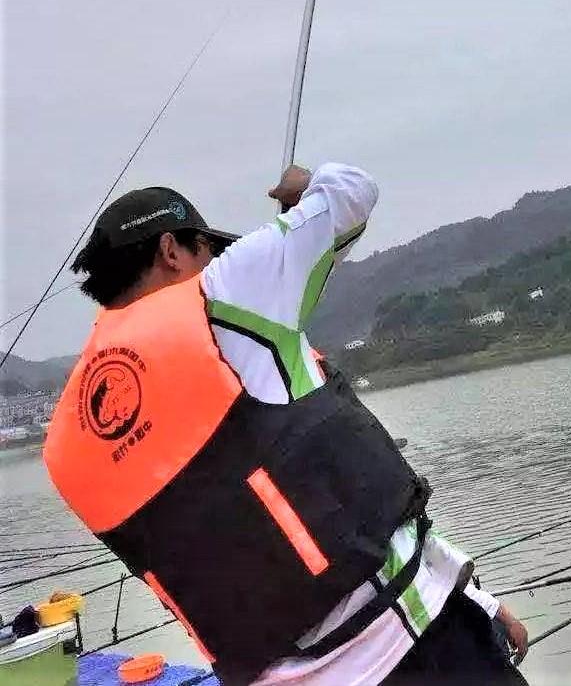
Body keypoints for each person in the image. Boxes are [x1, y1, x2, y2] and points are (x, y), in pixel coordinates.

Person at [44, 161, 529, 686]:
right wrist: (303, 189)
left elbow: (289, 508)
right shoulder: (220, 295)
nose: (214, 261)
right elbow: (351, 191)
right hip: (417, 651)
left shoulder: (69, 437)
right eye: (206, 249)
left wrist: (474, 596)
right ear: (170, 250)